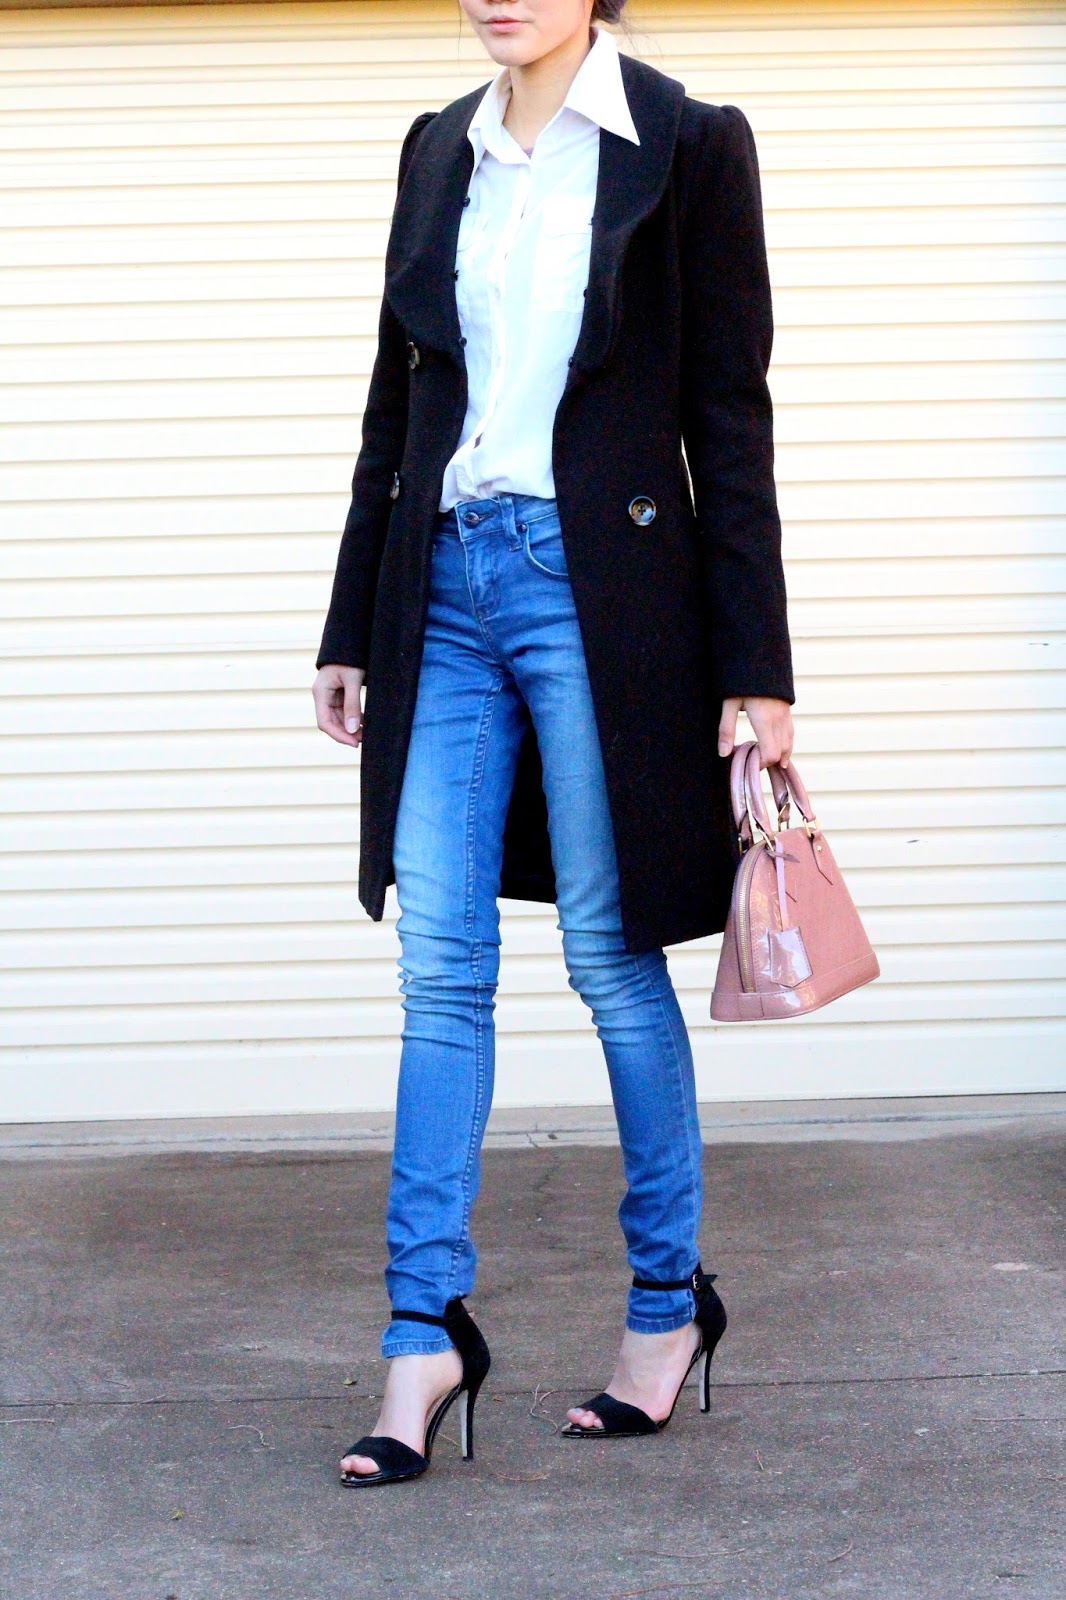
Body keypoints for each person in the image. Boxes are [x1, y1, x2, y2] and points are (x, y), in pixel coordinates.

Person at [312, 0, 795, 1488]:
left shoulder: (688, 144)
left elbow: (729, 417)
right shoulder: (437, 148)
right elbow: (398, 403)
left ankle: (665, 1307)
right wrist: (350, 619)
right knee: (439, 967)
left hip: (601, 592)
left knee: (609, 953)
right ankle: (421, 1338)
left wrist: (757, 669)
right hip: (442, 585)